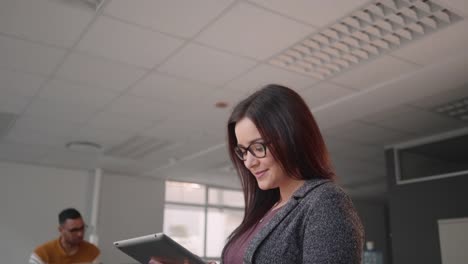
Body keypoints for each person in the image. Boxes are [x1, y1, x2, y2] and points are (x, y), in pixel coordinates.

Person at [222, 84, 364, 263]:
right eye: (243, 151)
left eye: (258, 147)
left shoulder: (325, 202)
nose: (249, 163)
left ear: (291, 138)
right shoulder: (266, 209)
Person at [29, 208, 100, 264]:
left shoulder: (92, 252)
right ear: (61, 230)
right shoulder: (41, 254)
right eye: (74, 230)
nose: (80, 234)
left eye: (82, 228)